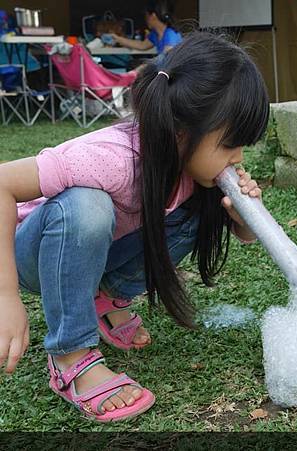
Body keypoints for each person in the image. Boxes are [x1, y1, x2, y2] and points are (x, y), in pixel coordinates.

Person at [0, 31, 270, 421]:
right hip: (34, 253)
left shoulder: (190, 167)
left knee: (197, 208)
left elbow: (239, 233)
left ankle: (103, 296)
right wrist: (6, 296)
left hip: (94, 249)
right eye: (230, 144)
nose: (239, 157)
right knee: (86, 203)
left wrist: (243, 219)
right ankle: (70, 355)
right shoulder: (109, 158)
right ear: (181, 134)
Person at [110, 0, 182, 55]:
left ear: (153, 16)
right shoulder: (155, 34)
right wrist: (117, 38)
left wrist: (146, 66)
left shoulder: (170, 34)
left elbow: (168, 59)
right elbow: (142, 45)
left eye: (146, 15)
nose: (146, 20)